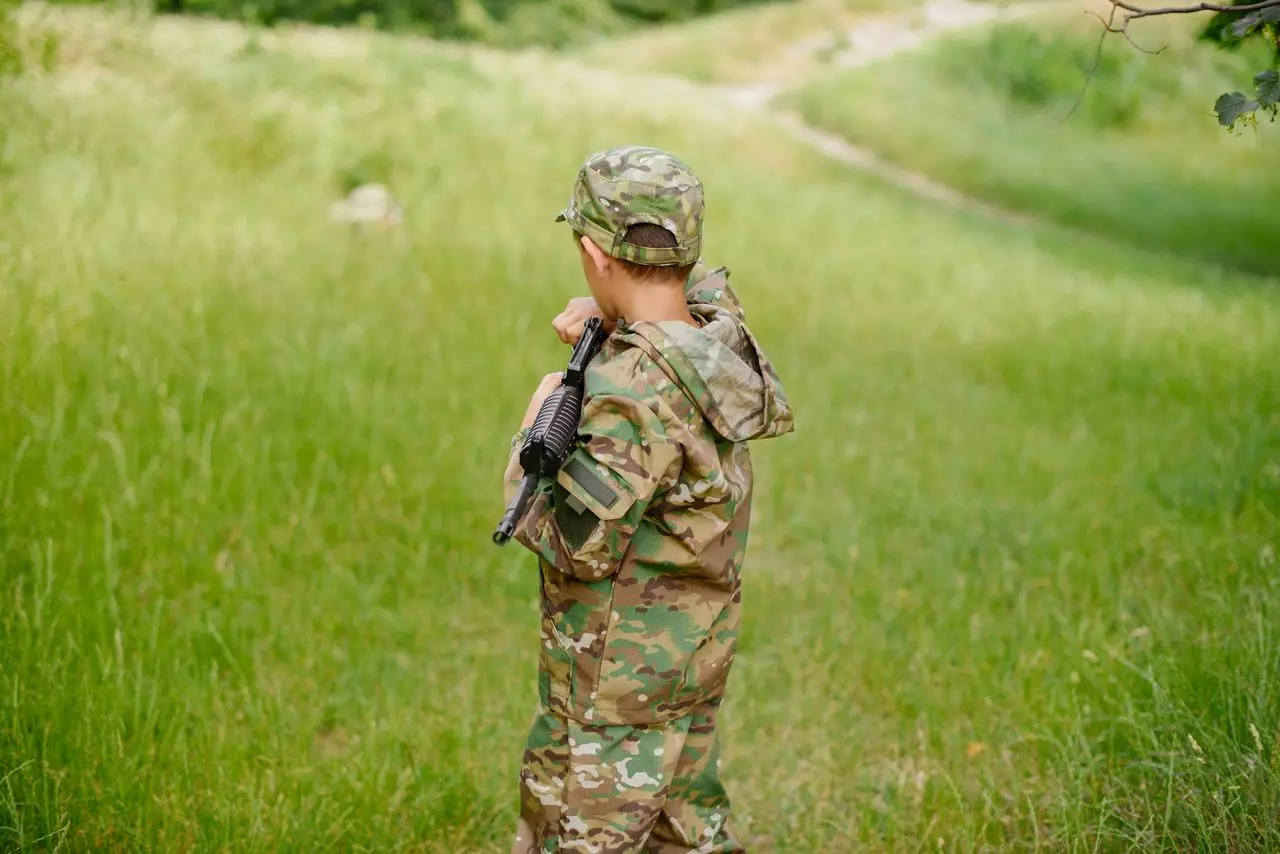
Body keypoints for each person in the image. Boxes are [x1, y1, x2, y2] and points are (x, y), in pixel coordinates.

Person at [501, 145, 795, 853]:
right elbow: (690, 301)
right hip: (688, 660)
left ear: (594, 254)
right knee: (685, 825)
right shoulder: (718, 341)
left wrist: (535, 424)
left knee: (577, 830)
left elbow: (574, 543)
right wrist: (613, 319)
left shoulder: (630, 399)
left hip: (612, 689)